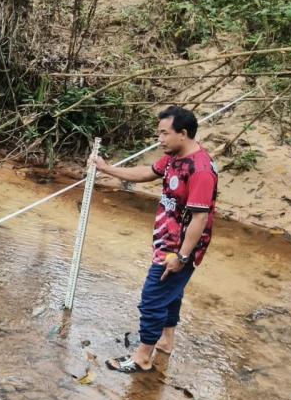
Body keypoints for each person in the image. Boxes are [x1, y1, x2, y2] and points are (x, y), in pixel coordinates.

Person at [90, 105, 219, 373]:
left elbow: (199, 218)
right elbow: (147, 172)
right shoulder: (174, 157)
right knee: (171, 294)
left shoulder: (200, 170)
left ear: (183, 134)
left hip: (179, 248)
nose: (159, 139)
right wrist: (107, 169)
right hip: (166, 241)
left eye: (164, 133)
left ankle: (142, 357)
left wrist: (182, 257)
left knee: (151, 299)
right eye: (158, 134)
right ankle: (166, 342)